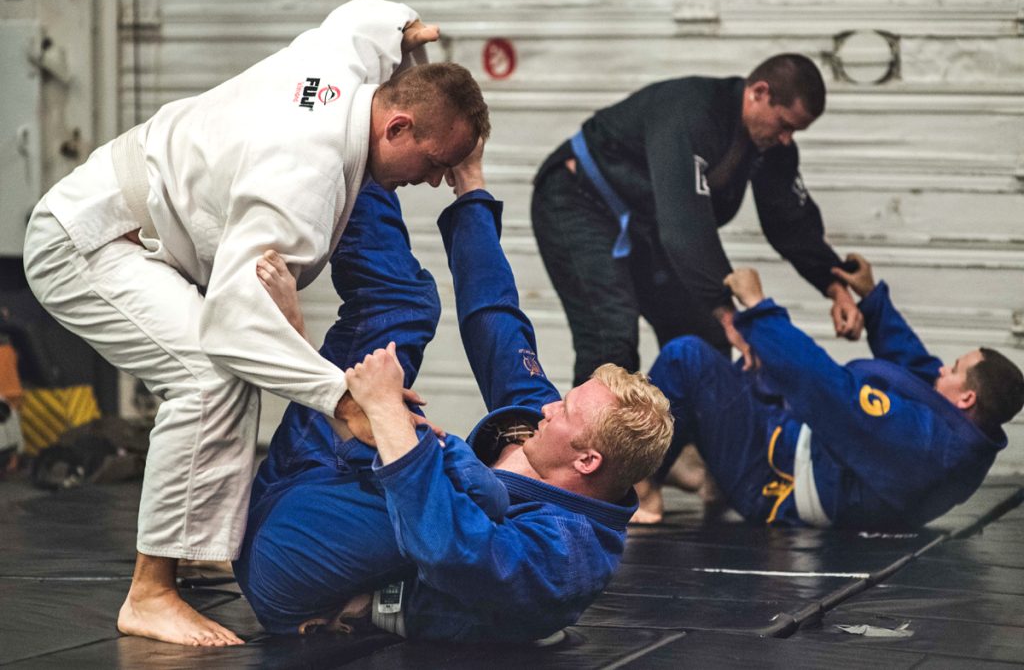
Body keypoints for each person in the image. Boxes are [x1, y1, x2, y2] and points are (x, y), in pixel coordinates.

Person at [21, 0, 489, 646]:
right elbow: (235, 324)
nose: (437, 180)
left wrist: (408, 33)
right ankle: (149, 593)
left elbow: (364, 16)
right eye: (436, 163)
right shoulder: (306, 174)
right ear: (398, 127)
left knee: (228, 369)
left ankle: (192, 541)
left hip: (139, 226)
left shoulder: (352, 66)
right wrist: (341, 399)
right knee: (209, 373)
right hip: (88, 242)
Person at [233, 145, 673, 642]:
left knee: (466, 488)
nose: (549, 406)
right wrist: (470, 183)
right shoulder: (545, 435)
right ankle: (355, 148)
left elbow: (449, 547)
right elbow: (497, 323)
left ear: (588, 460)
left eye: (566, 410)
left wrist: (386, 412)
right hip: (319, 475)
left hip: (291, 564)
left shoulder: (567, 557)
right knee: (403, 305)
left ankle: (300, 353)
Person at [531, 53, 863, 384]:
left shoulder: (771, 144)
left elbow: (790, 222)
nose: (787, 139)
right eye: (785, 125)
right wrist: (726, 310)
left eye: (796, 131)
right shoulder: (693, 112)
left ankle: (684, 436)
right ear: (759, 92)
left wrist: (835, 288)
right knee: (610, 342)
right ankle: (583, 436)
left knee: (705, 337)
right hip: (578, 199)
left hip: (645, 221)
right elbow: (684, 228)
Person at [638, 255, 1024, 530]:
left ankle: (642, 489)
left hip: (770, 479)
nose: (943, 368)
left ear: (967, 399)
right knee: (747, 365)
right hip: (789, 442)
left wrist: (758, 307)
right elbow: (916, 366)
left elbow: (826, 388)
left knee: (685, 357)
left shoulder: (924, 445)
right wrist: (872, 299)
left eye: (955, 369)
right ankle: (702, 474)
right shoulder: (958, 433)